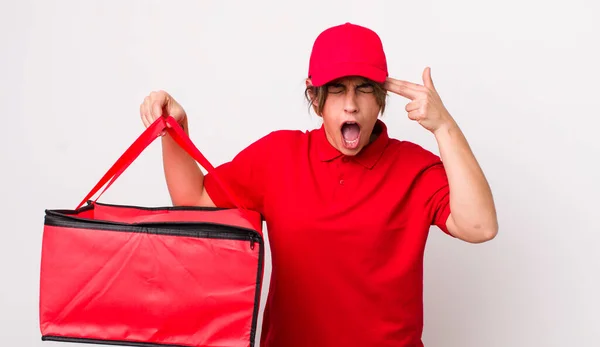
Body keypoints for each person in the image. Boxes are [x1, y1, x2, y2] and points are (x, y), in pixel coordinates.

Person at [139, 22, 498, 347]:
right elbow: (194, 199)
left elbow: (479, 226)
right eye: (337, 90)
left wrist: (444, 127)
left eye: (364, 90)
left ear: (381, 98)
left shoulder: (414, 167)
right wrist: (175, 129)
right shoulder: (279, 157)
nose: (352, 105)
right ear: (316, 99)